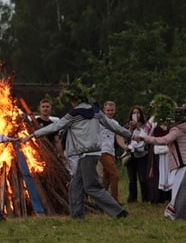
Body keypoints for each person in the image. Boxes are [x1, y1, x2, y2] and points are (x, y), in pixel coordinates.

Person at [22, 90, 131, 219]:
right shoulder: (96, 111)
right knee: (75, 186)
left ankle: (118, 212)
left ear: (75, 101)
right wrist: (128, 134)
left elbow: (55, 126)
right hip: (91, 153)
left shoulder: (74, 114)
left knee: (92, 187)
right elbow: (112, 125)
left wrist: (33, 134)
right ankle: (77, 215)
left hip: (87, 154)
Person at [116, 106, 151, 203]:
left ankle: (145, 197)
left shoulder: (145, 125)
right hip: (131, 155)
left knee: (143, 178)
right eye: (134, 113)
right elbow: (123, 137)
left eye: (138, 113)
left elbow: (146, 136)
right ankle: (132, 198)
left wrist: (138, 127)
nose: (136, 115)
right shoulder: (127, 126)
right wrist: (130, 129)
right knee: (132, 178)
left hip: (142, 154)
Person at [99, 101, 120, 202]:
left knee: (106, 175)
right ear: (104, 110)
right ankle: (114, 200)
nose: (110, 112)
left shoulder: (115, 123)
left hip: (112, 151)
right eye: (108, 110)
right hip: (103, 151)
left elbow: (119, 136)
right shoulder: (99, 122)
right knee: (114, 174)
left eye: (112, 110)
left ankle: (102, 198)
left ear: (115, 111)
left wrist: (125, 146)